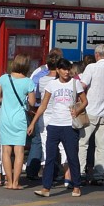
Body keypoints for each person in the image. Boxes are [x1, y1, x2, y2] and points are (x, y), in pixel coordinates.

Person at [27, 58, 87, 198]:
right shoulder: (52, 85)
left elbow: (85, 101)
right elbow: (43, 105)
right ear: (58, 70)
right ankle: (46, 188)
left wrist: (77, 111)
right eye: (63, 69)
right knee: (49, 157)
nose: (66, 72)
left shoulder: (75, 83)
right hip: (54, 125)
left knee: (72, 157)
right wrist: (33, 122)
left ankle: (77, 186)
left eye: (68, 69)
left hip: (69, 126)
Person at [77, 44, 104, 184]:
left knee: (83, 143)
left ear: (96, 55)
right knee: (101, 146)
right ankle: (99, 175)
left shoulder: (91, 68)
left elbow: (82, 85)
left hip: (90, 110)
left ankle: (81, 172)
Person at [0, 54, 35, 189]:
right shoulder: (28, 82)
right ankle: (16, 183)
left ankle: (8, 181)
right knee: (19, 152)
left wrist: (6, 100)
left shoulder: (4, 78)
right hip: (19, 119)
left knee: (5, 151)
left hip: (5, 118)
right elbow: (32, 102)